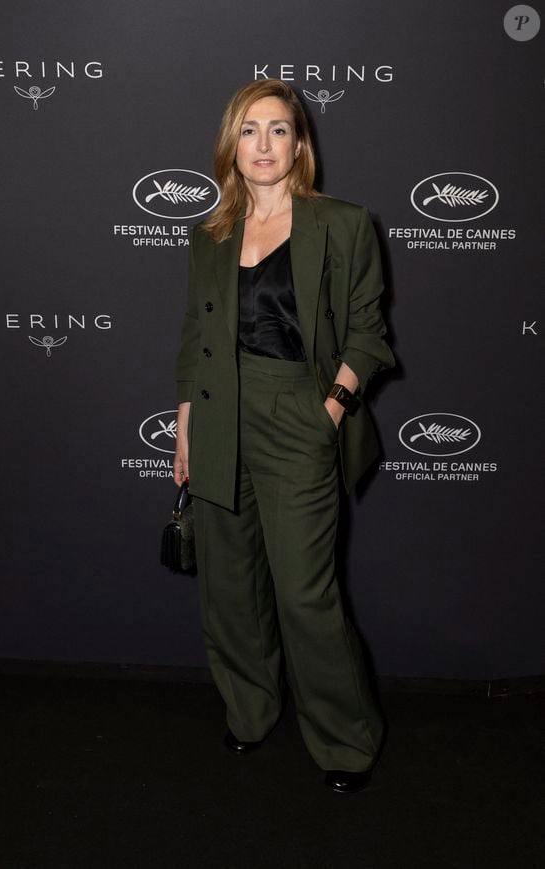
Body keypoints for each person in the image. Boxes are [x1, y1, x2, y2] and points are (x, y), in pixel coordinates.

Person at [173, 79, 395, 794]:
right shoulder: (208, 235)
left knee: (305, 594)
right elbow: (195, 340)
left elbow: (368, 333)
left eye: (276, 130)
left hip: (297, 412)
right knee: (230, 590)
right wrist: (184, 432)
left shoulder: (344, 223)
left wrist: (329, 408)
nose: (262, 145)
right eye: (248, 130)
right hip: (215, 414)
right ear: (230, 146)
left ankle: (345, 739)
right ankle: (249, 707)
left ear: (299, 144)